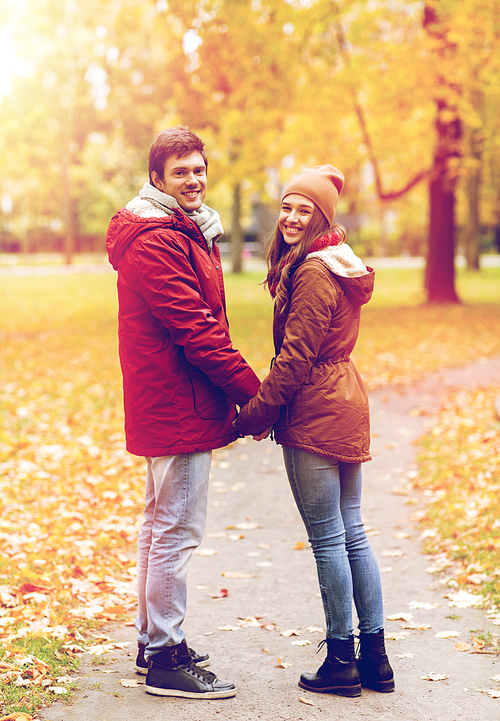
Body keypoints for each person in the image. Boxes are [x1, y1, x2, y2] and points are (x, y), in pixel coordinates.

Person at [106, 126, 260, 700]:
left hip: (172, 396)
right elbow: (197, 329)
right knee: (176, 527)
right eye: (180, 172)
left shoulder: (180, 229)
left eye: (199, 169)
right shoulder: (156, 240)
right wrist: (250, 391)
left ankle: (152, 641)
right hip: (178, 400)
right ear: (156, 179)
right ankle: (167, 656)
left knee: (157, 521)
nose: (193, 180)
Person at [235, 165, 394, 697]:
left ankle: (342, 658)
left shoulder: (313, 273)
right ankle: (376, 660)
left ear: (323, 217)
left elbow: (296, 358)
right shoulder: (336, 262)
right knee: (352, 530)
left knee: (331, 537)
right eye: (287, 206)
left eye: (305, 210)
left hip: (318, 408)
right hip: (346, 398)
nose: (292, 217)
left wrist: (255, 414)